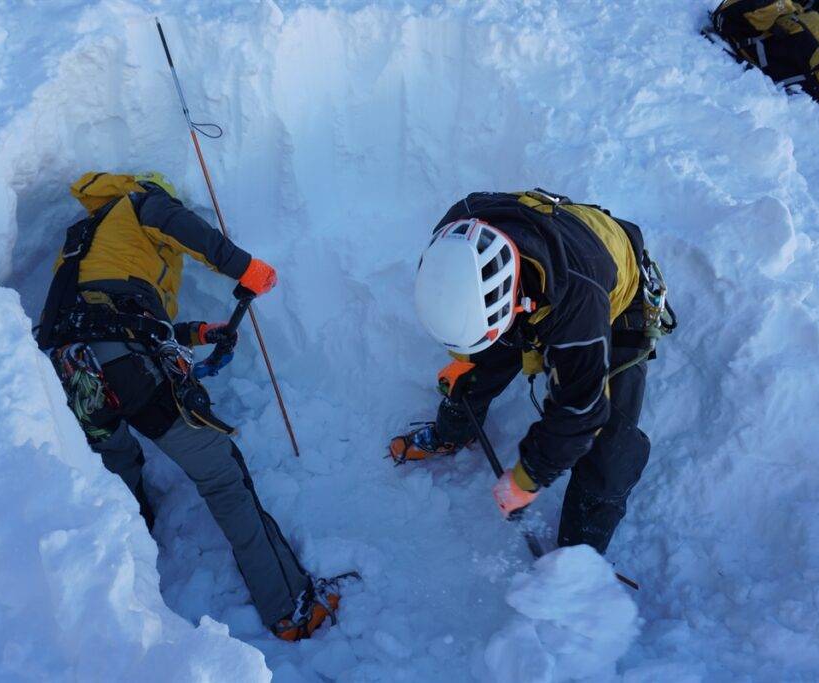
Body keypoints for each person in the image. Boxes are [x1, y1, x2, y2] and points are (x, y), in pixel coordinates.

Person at [37, 171, 340, 641]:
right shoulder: (139, 204)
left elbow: (113, 316)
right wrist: (245, 268)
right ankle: (289, 606)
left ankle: (124, 582)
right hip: (123, 365)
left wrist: (198, 334)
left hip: (71, 375)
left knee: (116, 469)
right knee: (221, 473)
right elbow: (183, 229)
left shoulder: (84, 244)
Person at [389, 190, 673, 555]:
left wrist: (527, 478)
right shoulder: (455, 237)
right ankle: (455, 431)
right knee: (475, 369)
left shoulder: (578, 301)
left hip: (614, 297)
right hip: (542, 267)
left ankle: (578, 558)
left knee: (610, 447)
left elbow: (581, 410)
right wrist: (463, 359)